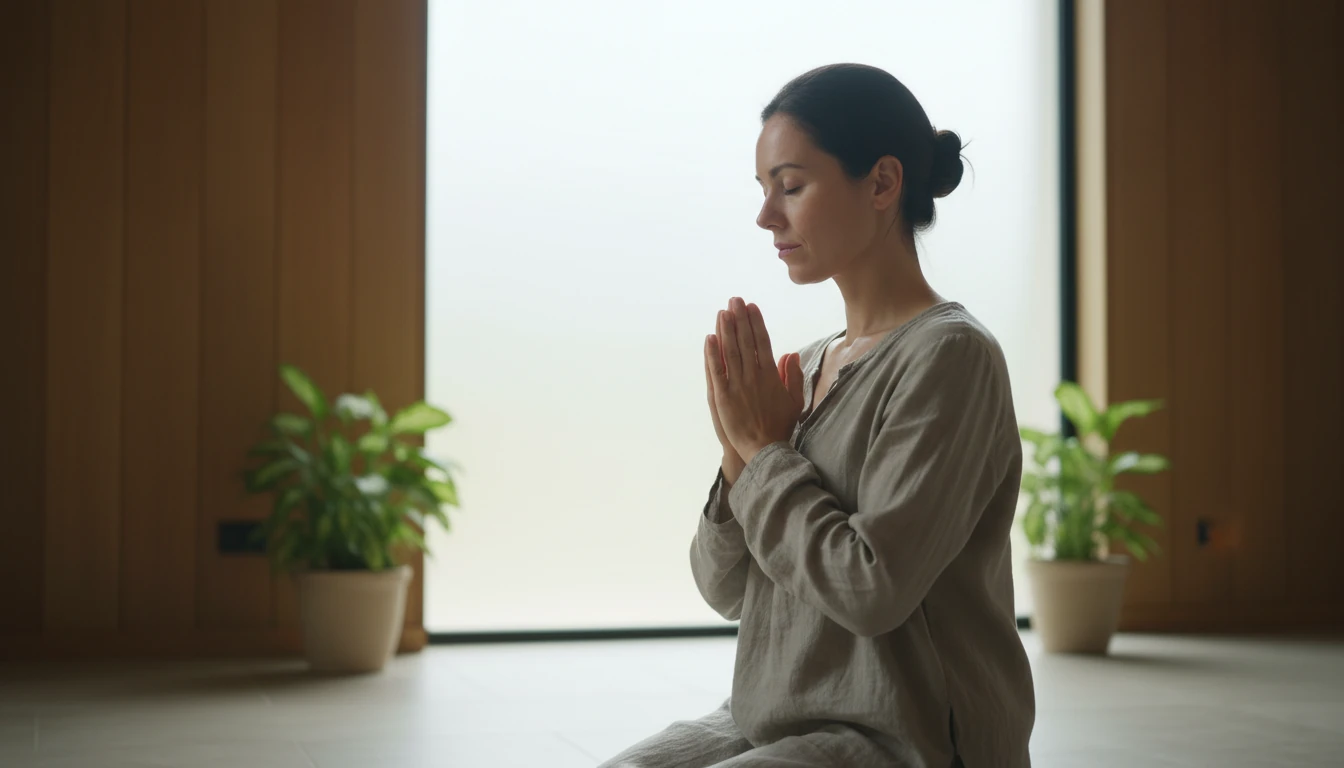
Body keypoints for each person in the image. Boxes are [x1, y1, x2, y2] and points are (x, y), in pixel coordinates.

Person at [599, 63, 1035, 767]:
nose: (767, 216)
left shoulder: (951, 356)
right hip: (768, 713)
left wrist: (766, 453)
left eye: (792, 186)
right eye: (764, 190)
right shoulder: (803, 368)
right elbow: (725, 590)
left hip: (900, 736)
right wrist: (738, 452)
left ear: (883, 184)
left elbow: (870, 590)